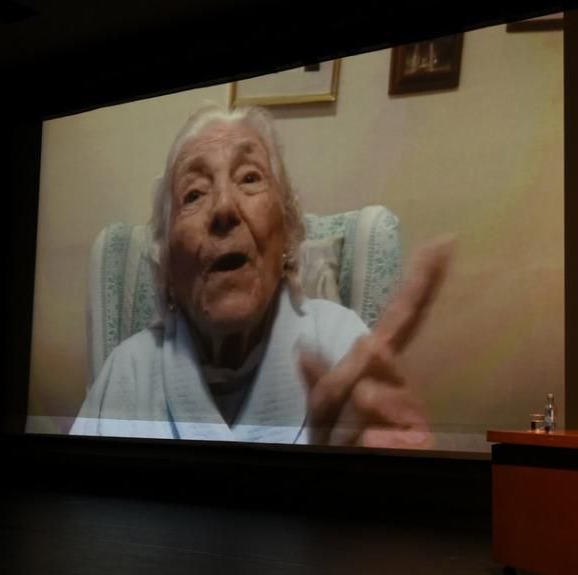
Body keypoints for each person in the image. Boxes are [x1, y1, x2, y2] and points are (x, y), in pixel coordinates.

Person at [71, 104, 451, 446]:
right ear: (168, 264)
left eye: (249, 178)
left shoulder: (341, 342)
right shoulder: (128, 371)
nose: (223, 207)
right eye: (194, 194)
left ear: (287, 233)